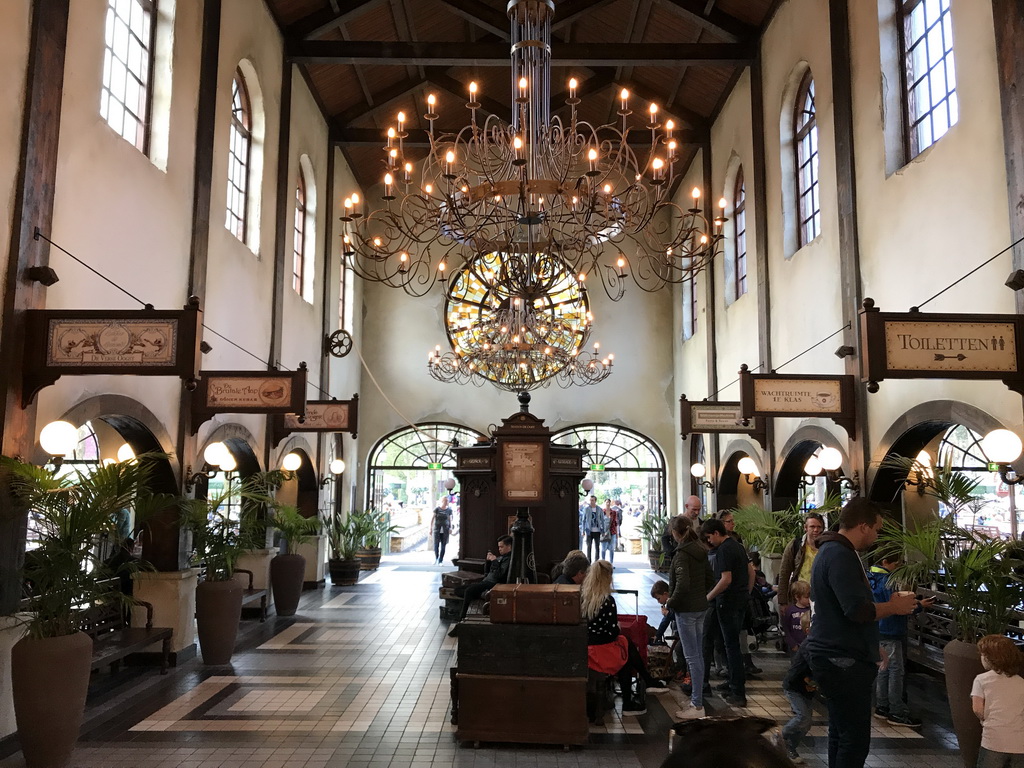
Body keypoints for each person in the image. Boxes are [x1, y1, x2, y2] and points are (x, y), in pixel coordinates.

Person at [803, 498, 917, 768]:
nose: (877, 535)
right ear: (863, 526)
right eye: (877, 529)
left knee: (840, 733)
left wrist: (869, 640)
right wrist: (894, 606)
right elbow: (855, 610)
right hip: (841, 659)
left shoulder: (832, 550)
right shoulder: (839, 554)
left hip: (838, 651)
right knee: (854, 739)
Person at [582, 559, 668, 716]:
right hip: (600, 652)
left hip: (586, 649)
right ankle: (634, 696)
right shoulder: (607, 601)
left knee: (624, 648)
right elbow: (610, 633)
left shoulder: (583, 598)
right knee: (625, 652)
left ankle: (640, 690)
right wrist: (618, 628)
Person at [868, 554, 933, 727]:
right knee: (896, 671)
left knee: (883, 669)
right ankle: (896, 711)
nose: (899, 567)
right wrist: (919, 605)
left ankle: (881, 706)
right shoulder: (889, 581)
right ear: (885, 562)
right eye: (896, 564)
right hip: (891, 628)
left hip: (877, 628)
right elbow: (900, 607)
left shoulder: (868, 576)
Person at [668, 515, 715, 720]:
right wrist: (700, 597)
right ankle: (697, 699)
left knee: (692, 656)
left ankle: (697, 705)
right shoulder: (701, 551)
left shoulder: (682, 555)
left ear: (675, 533)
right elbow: (709, 579)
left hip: (686, 610)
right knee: (698, 656)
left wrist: (670, 603)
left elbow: (683, 584)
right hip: (700, 608)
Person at [701, 518, 751, 708]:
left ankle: (738, 692)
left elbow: (725, 579)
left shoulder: (723, 550)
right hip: (739, 601)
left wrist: (708, 597)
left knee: (731, 647)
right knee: (729, 644)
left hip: (727, 603)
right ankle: (732, 682)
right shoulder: (737, 546)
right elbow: (750, 572)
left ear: (715, 533)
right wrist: (745, 592)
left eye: (708, 538)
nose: (708, 543)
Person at [972, 634, 1024, 768]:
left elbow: (977, 708)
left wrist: (984, 719)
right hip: (1019, 743)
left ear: (990, 658)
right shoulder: (1021, 682)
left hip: (993, 739)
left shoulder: (981, 679)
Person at [451, 535, 513, 629]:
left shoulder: (509, 560)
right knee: (458, 590)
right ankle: (481, 594)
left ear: (509, 546)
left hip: (493, 584)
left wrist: (495, 561)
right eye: (498, 547)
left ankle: (460, 622)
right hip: (486, 582)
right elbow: (488, 572)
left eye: (501, 547)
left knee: (469, 591)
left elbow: (500, 576)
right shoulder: (501, 557)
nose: (499, 549)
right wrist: (488, 561)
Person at [778, 513, 826, 609]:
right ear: (805, 527)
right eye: (812, 527)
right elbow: (784, 573)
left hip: (822, 597)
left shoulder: (827, 547)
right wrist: (782, 601)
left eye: (819, 527)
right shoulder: (795, 546)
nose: (816, 530)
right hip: (800, 598)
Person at [782, 644, 817, 764]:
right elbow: (814, 664)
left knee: (806, 724)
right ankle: (781, 737)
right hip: (793, 687)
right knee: (803, 716)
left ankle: (790, 746)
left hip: (806, 691)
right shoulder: (809, 645)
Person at [782, 580, 812, 653]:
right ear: (797, 597)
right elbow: (786, 628)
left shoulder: (811, 610)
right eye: (807, 597)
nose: (809, 600)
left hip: (809, 645)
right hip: (795, 645)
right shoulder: (790, 610)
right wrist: (792, 644)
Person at [581, 496, 605, 562]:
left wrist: (603, 531)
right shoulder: (586, 509)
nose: (591, 502)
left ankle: (596, 561)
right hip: (589, 530)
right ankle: (589, 561)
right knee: (589, 546)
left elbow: (602, 520)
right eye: (590, 500)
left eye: (592, 500)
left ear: (595, 501)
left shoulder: (599, 509)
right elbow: (583, 520)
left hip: (597, 531)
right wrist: (583, 531)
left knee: (597, 546)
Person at [431, 497, 453, 565]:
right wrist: (430, 528)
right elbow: (432, 519)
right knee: (436, 545)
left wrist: (450, 527)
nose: (447, 502)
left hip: (445, 530)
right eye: (446, 501)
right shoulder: (437, 509)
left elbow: (450, 519)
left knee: (443, 546)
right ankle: (436, 558)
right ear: (442, 501)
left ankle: (441, 560)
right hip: (437, 529)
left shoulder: (449, 510)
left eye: (447, 501)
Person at [601, 499, 620, 563]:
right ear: (605, 503)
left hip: (612, 531)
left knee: (611, 548)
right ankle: (603, 562)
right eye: (606, 502)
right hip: (604, 532)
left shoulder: (614, 512)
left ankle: (611, 562)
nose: (608, 503)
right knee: (603, 548)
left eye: (609, 502)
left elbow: (615, 523)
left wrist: (617, 533)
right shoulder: (602, 511)